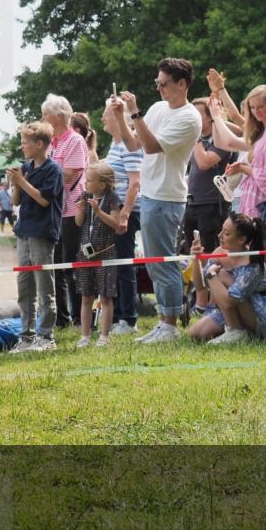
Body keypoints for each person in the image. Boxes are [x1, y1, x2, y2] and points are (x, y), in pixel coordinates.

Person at [111, 58, 203, 343]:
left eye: (164, 84)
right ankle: (164, 321)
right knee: (153, 264)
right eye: (157, 83)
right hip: (150, 194)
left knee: (163, 263)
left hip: (167, 197)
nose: (159, 88)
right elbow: (134, 143)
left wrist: (135, 112)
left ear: (182, 84)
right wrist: (121, 118)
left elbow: (151, 147)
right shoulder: (158, 109)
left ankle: (171, 324)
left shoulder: (189, 117)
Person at [6, 121, 63, 354]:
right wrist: (16, 185)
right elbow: (16, 201)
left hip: (42, 233)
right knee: (25, 287)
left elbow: (44, 199)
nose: (22, 146)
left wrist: (22, 182)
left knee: (44, 285)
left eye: (25, 142)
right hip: (24, 232)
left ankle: (46, 336)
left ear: (40, 144)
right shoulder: (26, 167)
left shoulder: (53, 170)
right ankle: (26, 336)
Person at [187, 213, 266, 344]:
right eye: (222, 230)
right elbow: (200, 286)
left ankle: (236, 331)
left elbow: (230, 301)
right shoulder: (219, 252)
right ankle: (237, 331)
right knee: (196, 333)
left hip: (263, 319)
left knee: (220, 275)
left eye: (226, 233)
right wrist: (196, 259)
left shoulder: (253, 264)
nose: (220, 236)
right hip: (234, 310)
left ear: (241, 239)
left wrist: (212, 276)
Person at [209, 85, 266, 226]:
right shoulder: (263, 131)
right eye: (252, 107)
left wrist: (216, 115)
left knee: (264, 242)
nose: (256, 111)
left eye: (260, 106)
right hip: (254, 197)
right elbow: (223, 143)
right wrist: (216, 110)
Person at [182, 98, 237, 312]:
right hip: (193, 203)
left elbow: (205, 162)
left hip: (213, 204)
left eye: (198, 114)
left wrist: (195, 136)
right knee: (194, 255)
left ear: (210, 117)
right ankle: (200, 301)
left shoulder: (220, 139)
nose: (193, 119)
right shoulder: (199, 140)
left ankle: (212, 302)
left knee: (210, 254)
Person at [42, 94, 87, 329]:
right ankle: (62, 317)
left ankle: (81, 316)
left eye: (45, 114)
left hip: (72, 210)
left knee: (72, 265)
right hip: (55, 212)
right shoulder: (52, 143)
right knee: (56, 266)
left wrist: (43, 181)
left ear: (59, 116)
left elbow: (68, 174)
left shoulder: (75, 141)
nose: (42, 118)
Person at [103, 100, 143, 336]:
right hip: (113, 211)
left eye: (107, 114)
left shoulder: (129, 146)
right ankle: (118, 315)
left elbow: (135, 182)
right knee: (115, 265)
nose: (104, 119)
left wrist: (125, 215)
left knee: (124, 264)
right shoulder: (114, 145)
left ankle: (128, 318)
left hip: (128, 212)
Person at [73, 163, 121, 348]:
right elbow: (78, 223)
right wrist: (81, 210)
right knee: (86, 296)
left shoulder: (112, 199)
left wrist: (98, 211)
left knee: (106, 296)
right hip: (85, 253)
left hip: (106, 253)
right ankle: (85, 336)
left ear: (102, 185)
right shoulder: (84, 197)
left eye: (89, 180)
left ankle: (104, 336)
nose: (86, 183)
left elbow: (116, 224)